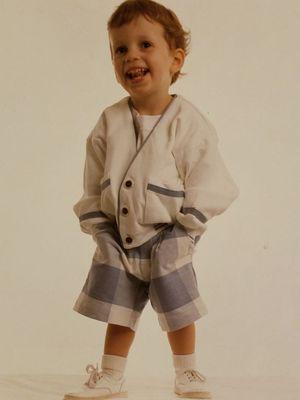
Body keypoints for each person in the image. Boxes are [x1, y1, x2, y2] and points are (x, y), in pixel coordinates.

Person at [64, 0, 239, 399]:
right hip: (119, 235)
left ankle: (188, 372)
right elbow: (93, 179)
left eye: (145, 45)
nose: (131, 57)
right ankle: (110, 374)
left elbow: (212, 178)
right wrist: (98, 226)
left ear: (175, 59)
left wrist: (188, 227)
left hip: (168, 234)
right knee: (119, 311)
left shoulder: (187, 121)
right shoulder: (109, 121)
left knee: (179, 307)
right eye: (120, 49)